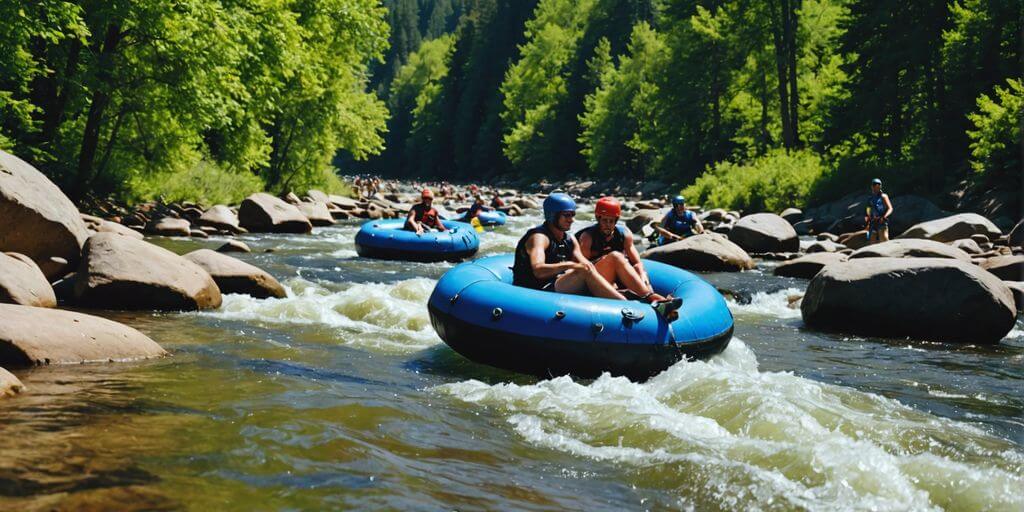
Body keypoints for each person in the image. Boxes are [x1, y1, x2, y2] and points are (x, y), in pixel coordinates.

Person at [511, 193, 681, 317]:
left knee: (614, 257)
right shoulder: (539, 237)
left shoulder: (569, 239)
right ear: (552, 216)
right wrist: (571, 266)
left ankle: (652, 298)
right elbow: (538, 270)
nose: (571, 220)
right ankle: (630, 306)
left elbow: (588, 265)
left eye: (573, 215)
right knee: (584, 268)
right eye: (566, 215)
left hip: (560, 283)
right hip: (537, 291)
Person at [576, 197, 659, 300]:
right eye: (605, 220)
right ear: (598, 218)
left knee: (639, 269)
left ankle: (651, 297)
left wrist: (642, 276)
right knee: (615, 256)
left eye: (611, 221)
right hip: (593, 278)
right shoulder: (587, 237)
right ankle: (649, 297)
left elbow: (637, 262)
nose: (608, 225)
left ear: (616, 220)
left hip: (613, 275)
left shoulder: (624, 235)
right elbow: (582, 268)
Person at [865, 178, 894, 243]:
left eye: (878, 186)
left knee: (884, 239)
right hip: (873, 222)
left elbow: (890, 208)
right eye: (875, 186)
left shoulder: (883, 196)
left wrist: (884, 217)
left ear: (880, 186)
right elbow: (868, 210)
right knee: (872, 241)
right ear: (872, 187)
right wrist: (868, 219)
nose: (876, 187)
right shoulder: (870, 198)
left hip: (882, 221)